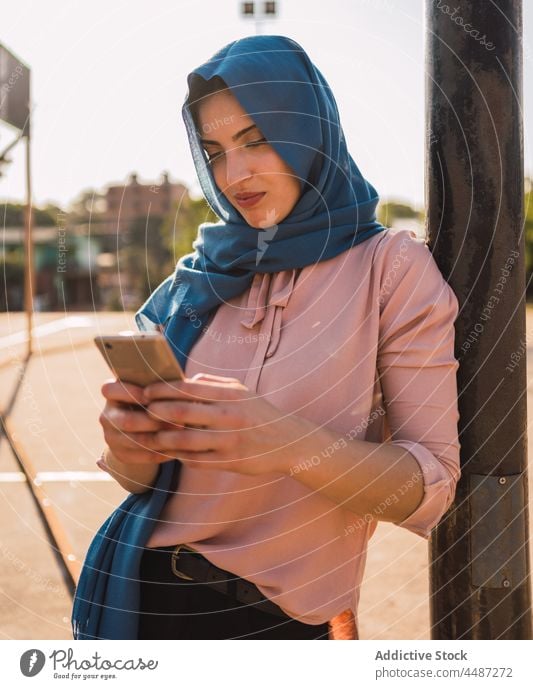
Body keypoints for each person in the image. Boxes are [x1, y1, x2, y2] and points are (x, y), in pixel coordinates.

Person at [72, 34, 460, 641]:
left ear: (309, 132)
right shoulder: (198, 276)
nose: (236, 173)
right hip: (137, 597)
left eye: (257, 141)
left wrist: (283, 442)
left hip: (275, 629)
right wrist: (128, 445)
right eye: (216, 151)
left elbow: (429, 489)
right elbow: (143, 482)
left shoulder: (390, 269)